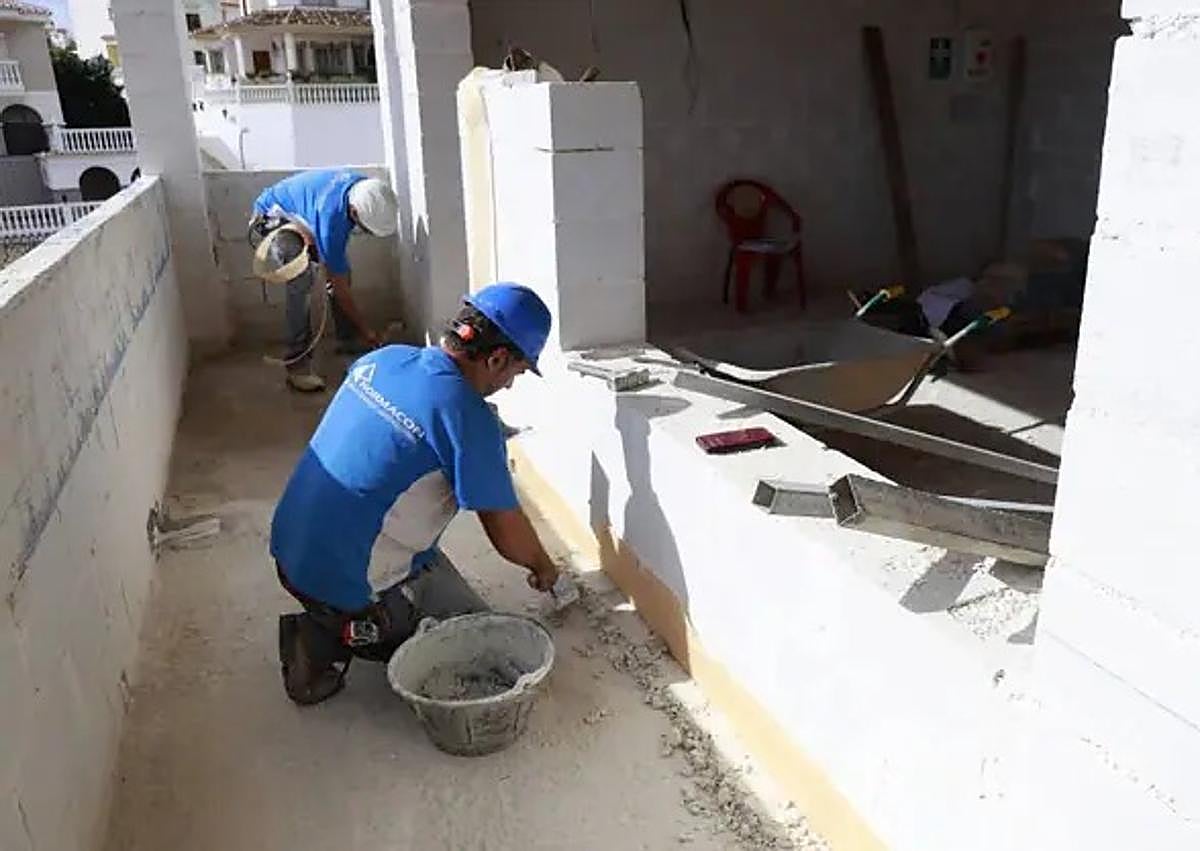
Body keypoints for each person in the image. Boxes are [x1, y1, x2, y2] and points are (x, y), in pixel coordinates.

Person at [270, 282, 562, 705]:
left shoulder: (384, 359)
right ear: (497, 357)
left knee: (452, 588)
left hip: (287, 548)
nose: (511, 385)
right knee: (478, 648)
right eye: (515, 372)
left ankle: (337, 614)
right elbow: (505, 530)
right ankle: (326, 639)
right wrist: (543, 566)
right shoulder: (467, 419)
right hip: (337, 581)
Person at [249, 169, 398, 393]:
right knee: (302, 280)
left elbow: (338, 274)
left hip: (307, 216)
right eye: (365, 227)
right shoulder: (332, 220)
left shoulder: (364, 189)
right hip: (273, 217)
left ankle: (348, 341)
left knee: (341, 272)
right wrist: (367, 329)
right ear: (354, 212)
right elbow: (340, 288)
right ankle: (297, 366)